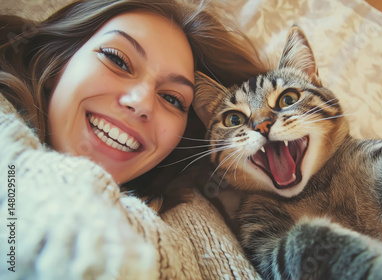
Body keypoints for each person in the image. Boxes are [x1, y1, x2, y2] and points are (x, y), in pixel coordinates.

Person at [0, 0, 267, 278]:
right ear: (55, 61)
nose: (141, 103)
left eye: (172, 99)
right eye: (117, 59)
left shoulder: (190, 218)